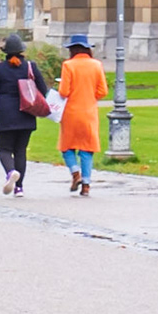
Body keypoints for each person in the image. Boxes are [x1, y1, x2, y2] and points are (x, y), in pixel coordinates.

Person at [0, 33, 50, 196]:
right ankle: (19, 187)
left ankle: (10, 171)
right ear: (22, 51)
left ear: (5, 52)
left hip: (5, 113)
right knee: (21, 150)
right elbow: (43, 90)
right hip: (26, 113)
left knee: (4, 149)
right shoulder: (30, 67)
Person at [56, 33, 108, 195]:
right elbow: (103, 91)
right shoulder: (96, 65)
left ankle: (75, 172)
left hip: (71, 112)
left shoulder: (68, 65)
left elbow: (64, 91)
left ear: (72, 50)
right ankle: (86, 185)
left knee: (67, 146)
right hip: (89, 112)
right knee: (87, 149)